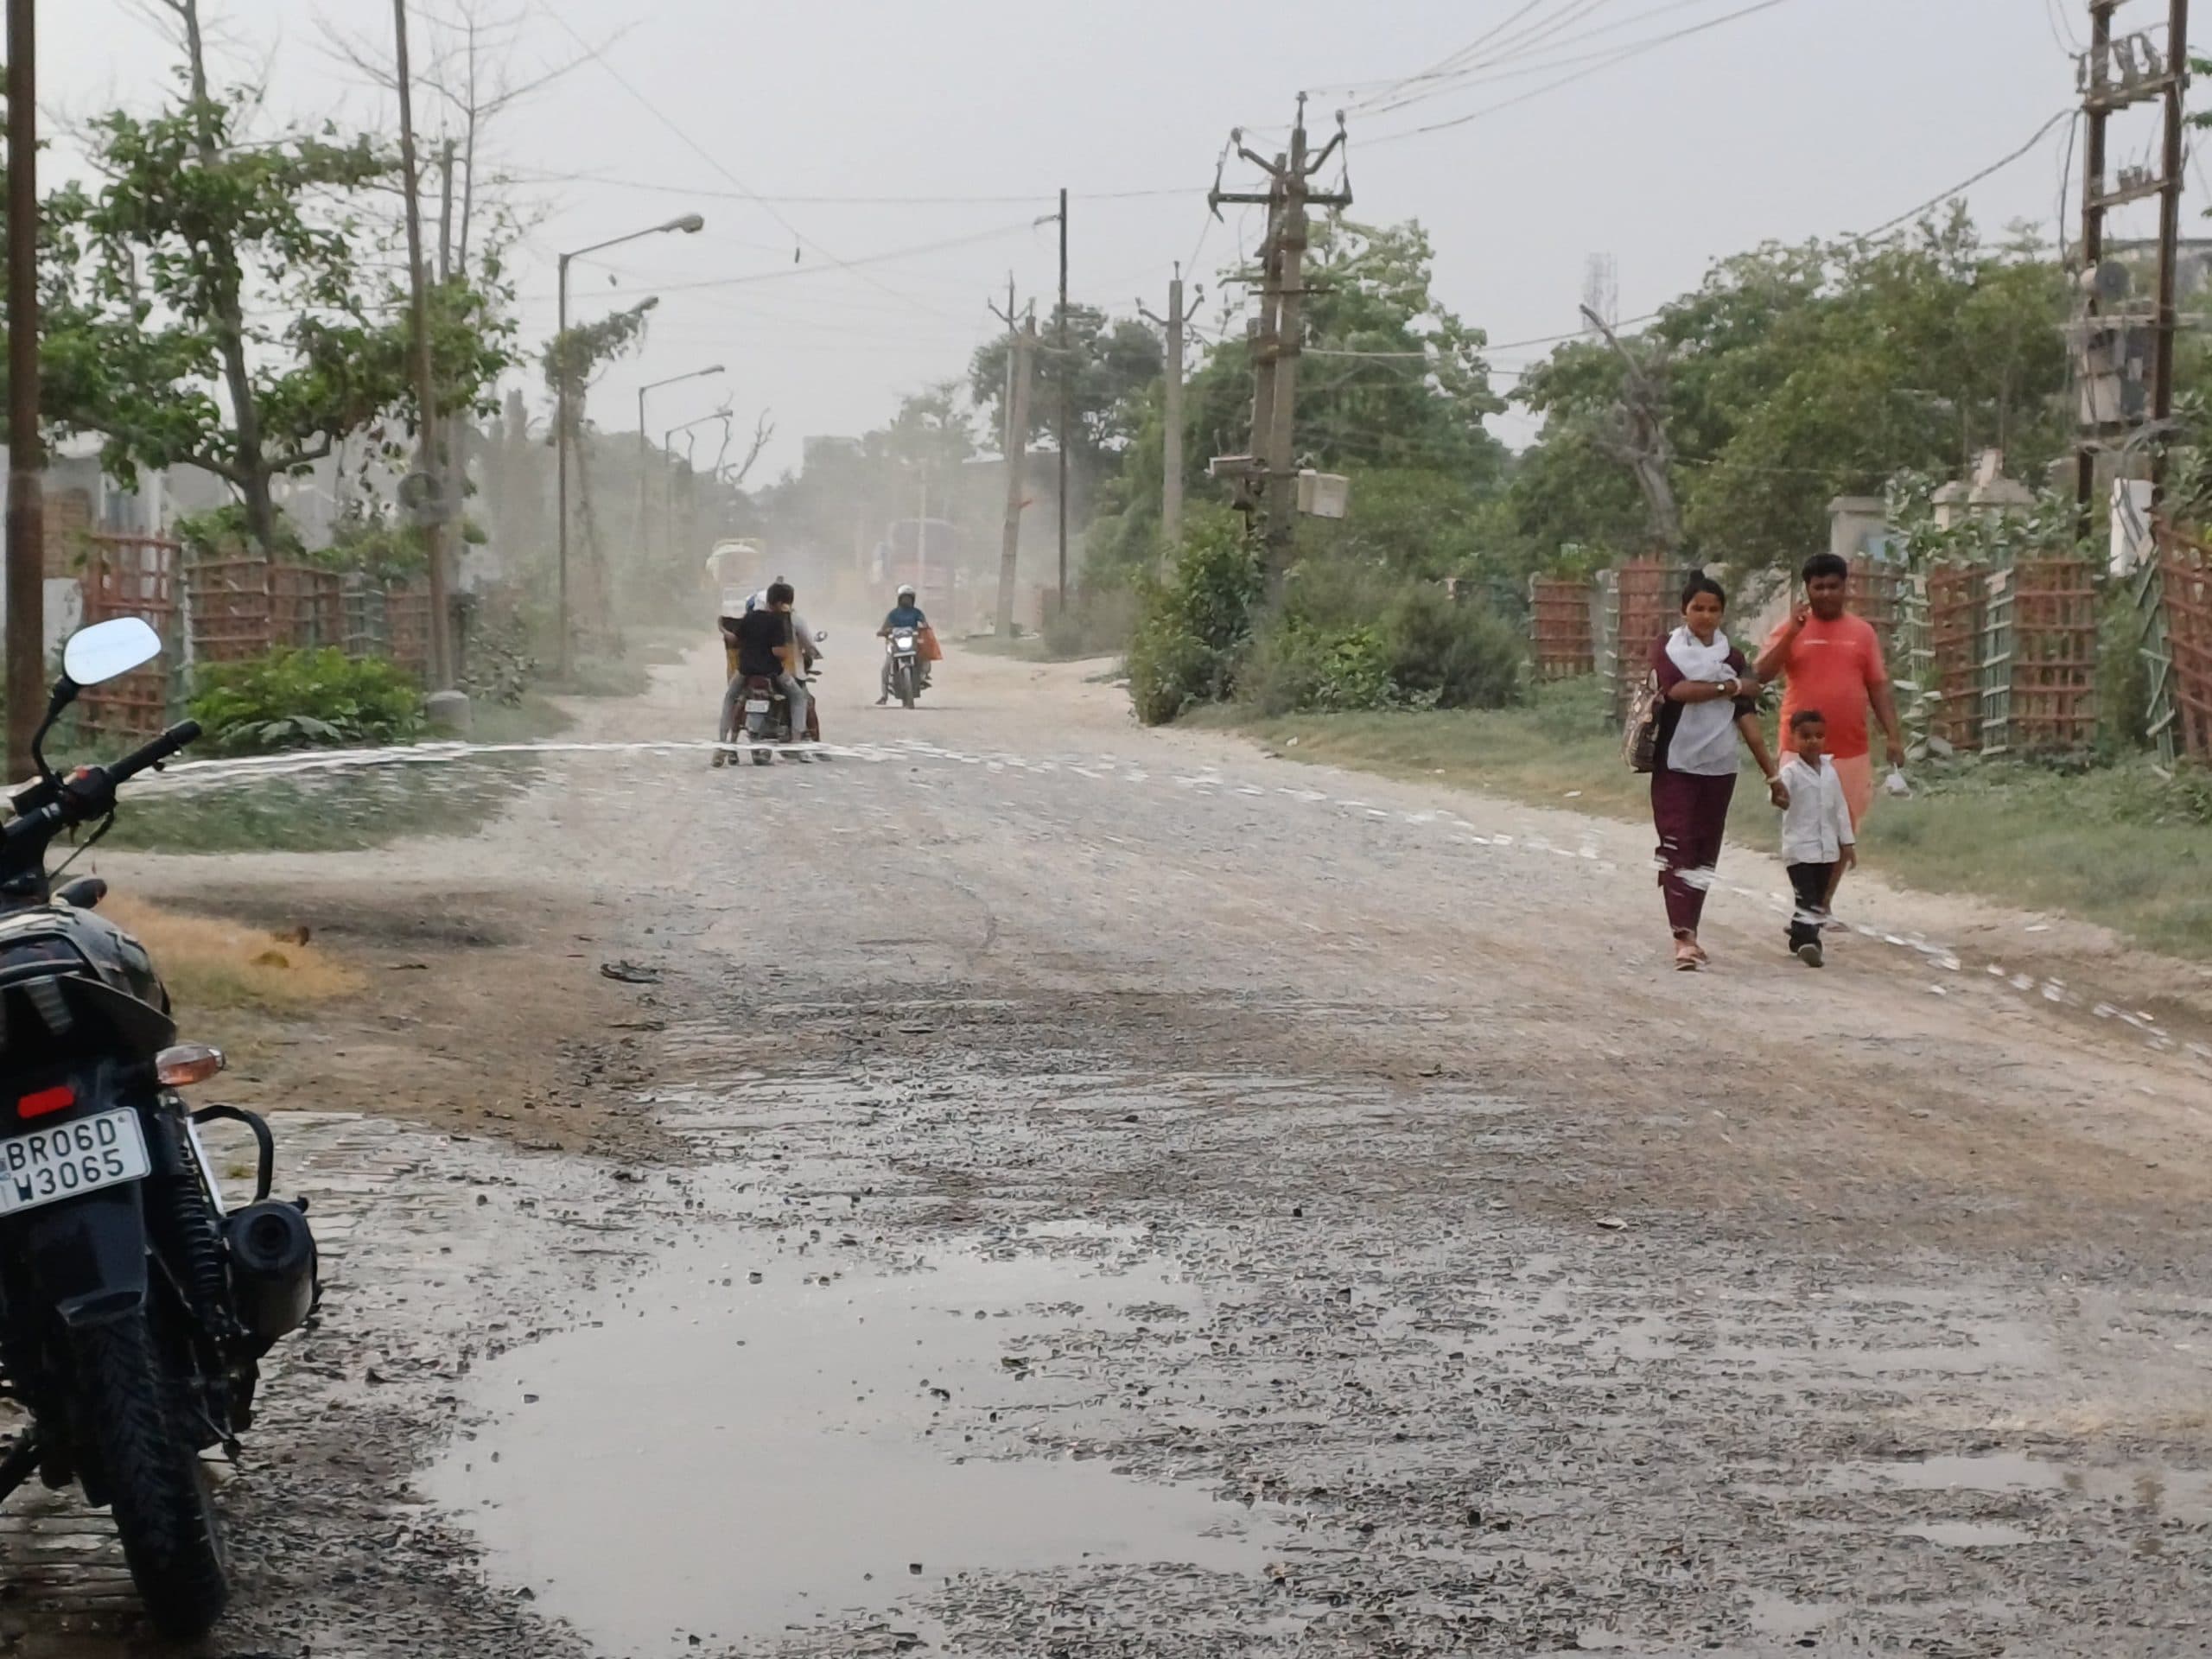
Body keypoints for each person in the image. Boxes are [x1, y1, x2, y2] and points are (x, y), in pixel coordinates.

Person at [1650, 575, 1789, 972]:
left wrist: (1772, 776)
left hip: (1719, 767)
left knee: (1704, 851)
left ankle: (1690, 929)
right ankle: (1682, 937)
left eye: (1714, 609)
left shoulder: (1733, 657)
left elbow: (1747, 720)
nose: (1706, 616)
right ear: (1684, 611)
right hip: (1675, 764)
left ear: (1723, 613)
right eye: (1698, 608)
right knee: (1677, 846)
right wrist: (1731, 687)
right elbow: (1676, 691)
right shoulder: (1668, 650)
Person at [1754, 551, 1906, 831]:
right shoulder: (1789, 629)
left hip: (1851, 750)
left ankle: (1827, 879)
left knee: (1844, 832)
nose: (1826, 594)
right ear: (1807, 589)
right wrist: (1791, 635)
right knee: (1802, 830)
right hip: (1798, 749)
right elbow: (1760, 675)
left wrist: (1894, 737)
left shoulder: (1863, 633)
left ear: (1845, 588)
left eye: (1833, 587)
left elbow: (1878, 688)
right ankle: (1812, 877)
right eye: (1818, 587)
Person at [1776, 709, 1855, 969]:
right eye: (1805, 736)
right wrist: (1779, 796)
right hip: (1799, 849)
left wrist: (1848, 843)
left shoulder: (1830, 772)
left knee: (1819, 899)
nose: (1813, 741)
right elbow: (1779, 794)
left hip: (1827, 850)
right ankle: (1812, 944)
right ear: (1793, 738)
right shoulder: (1791, 772)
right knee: (1806, 898)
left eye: (1819, 736)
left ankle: (1799, 936)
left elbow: (1840, 809)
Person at [718, 581, 811, 766]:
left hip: (745, 672)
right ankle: (796, 742)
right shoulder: (778, 622)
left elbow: (735, 639)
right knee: (798, 697)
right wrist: (786, 652)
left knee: (730, 698)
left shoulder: (750, 618)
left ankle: (722, 743)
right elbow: (778, 652)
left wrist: (721, 628)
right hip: (772, 672)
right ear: (780, 603)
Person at [875, 584, 931, 705]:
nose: (906, 600)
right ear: (899, 599)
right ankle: (884, 696)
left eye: (909, 598)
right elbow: (884, 627)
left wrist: (925, 626)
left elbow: (924, 622)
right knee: (885, 668)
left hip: (912, 643)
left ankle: (923, 677)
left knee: (925, 658)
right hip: (896, 645)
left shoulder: (917, 613)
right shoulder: (893, 614)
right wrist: (883, 632)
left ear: (913, 599)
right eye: (904, 598)